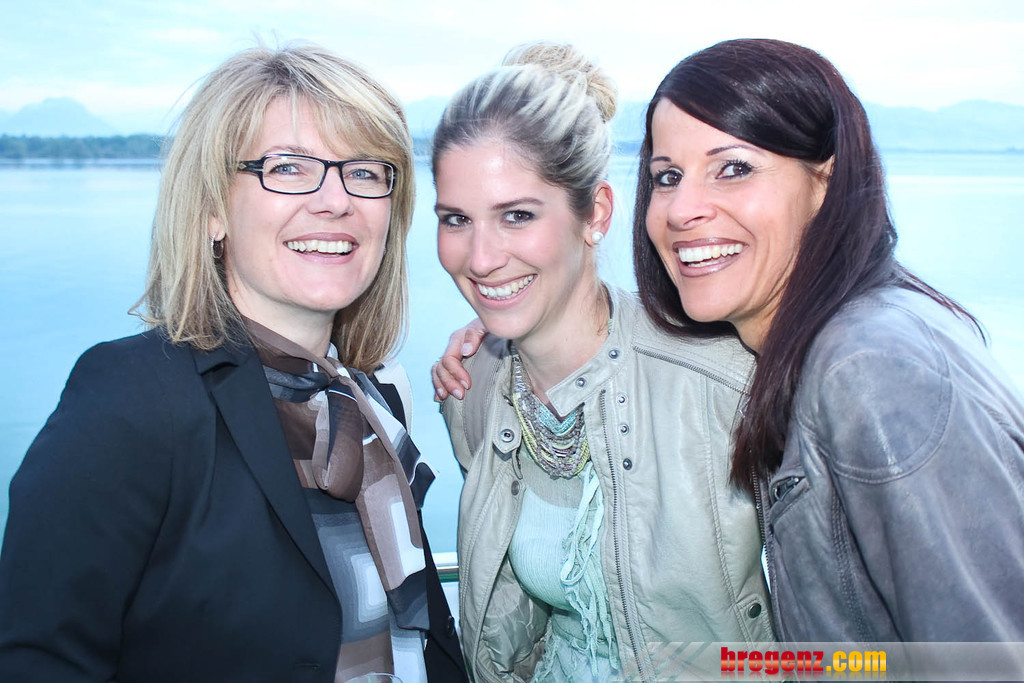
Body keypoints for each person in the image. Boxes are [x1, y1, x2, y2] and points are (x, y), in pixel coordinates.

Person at [0, 43, 466, 683]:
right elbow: (37, 657)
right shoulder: (132, 402)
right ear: (214, 209)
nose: (336, 201)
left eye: (364, 171)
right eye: (289, 167)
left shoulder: (371, 401)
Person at [636, 39, 1024, 643]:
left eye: (733, 168)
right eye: (667, 177)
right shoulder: (825, 342)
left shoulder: (871, 369)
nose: (682, 209)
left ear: (826, 181)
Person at [431, 42, 773, 683]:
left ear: (596, 214)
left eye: (517, 216)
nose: (480, 259)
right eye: (456, 219)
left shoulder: (722, 380)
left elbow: (840, 632)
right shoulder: (470, 388)